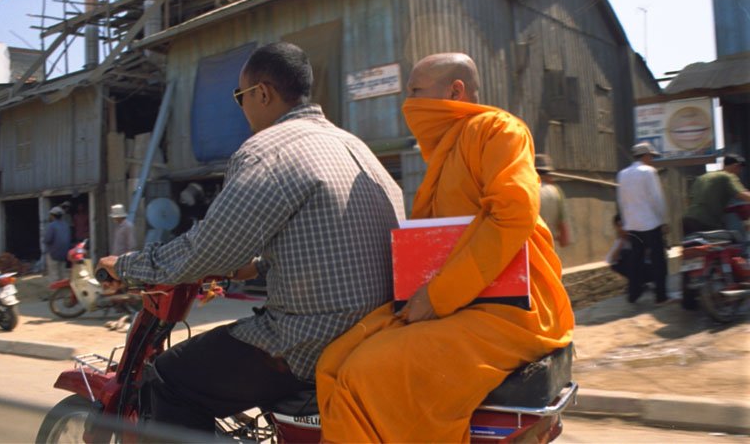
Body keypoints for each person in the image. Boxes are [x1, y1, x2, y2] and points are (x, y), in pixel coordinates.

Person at [96, 42, 405, 434]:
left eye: (239, 97)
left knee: (168, 378)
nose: (241, 109)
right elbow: (332, 242)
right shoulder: (355, 146)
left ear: (262, 93)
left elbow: (204, 250)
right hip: (376, 328)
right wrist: (257, 266)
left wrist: (125, 266)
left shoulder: (268, 151)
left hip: (309, 340)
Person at [316, 53, 574, 442]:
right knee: (333, 360)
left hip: (512, 310)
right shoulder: (445, 150)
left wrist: (438, 296)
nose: (409, 105)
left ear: (455, 90)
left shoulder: (500, 129)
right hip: (461, 302)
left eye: (416, 92)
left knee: (367, 371)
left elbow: (512, 215)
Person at [616, 141, 669, 304]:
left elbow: (621, 200)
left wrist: (625, 222)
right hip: (650, 224)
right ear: (646, 156)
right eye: (651, 156)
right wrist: (663, 220)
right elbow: (656, 198)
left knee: (636, 260)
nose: (652, 159)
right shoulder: (649, 172)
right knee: (658, 260)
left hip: (632, 225)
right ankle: (660, 296)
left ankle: (633, 294)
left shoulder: (622, 174)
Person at [682, 154, 750, 235]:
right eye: (740, 168)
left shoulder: (702, 178)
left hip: (689, 220)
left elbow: (689, 200)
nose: (740, 171)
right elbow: (744, 195)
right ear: (736, 166)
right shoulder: (728, 176)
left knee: (694, 247)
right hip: (707, 223)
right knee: (728, 244)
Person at [536, 154, 570, 247]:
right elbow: (564, 238)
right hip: (551, 250)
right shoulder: (557, 192)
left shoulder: (528, 191)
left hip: (533, 250)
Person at [43, 206, 71, 283]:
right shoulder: (66, 225)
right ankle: (63, 292)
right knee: (62, 273)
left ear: (52, 215)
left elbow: (47, 239)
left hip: (53, 253)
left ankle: (56, 293)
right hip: (64, 253)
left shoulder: (52, 226)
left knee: (54, 275)